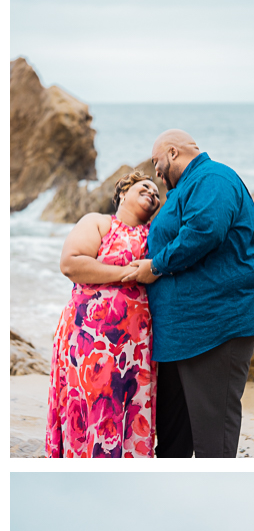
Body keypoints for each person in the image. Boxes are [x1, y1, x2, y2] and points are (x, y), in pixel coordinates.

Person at [127, 129, 254, 458]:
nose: (156, 171)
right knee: (171, 441)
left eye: (157, 162)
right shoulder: (186, 188)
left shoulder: (213, 177)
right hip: (181, 334)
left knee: (213, 441)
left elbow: (204, 231)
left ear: (173, 153)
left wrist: (155, 266)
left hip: (216, 325)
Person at [46, 171, 160, 458]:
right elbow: (71, 263)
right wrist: (128, 274)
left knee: (129, 407)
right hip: (88, 337)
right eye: (145, 186)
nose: (152, 194)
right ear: (123, 192)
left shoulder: (154, 235)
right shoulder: (99, 223)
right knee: (92, 405)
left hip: (135, 347)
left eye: (157, 194)